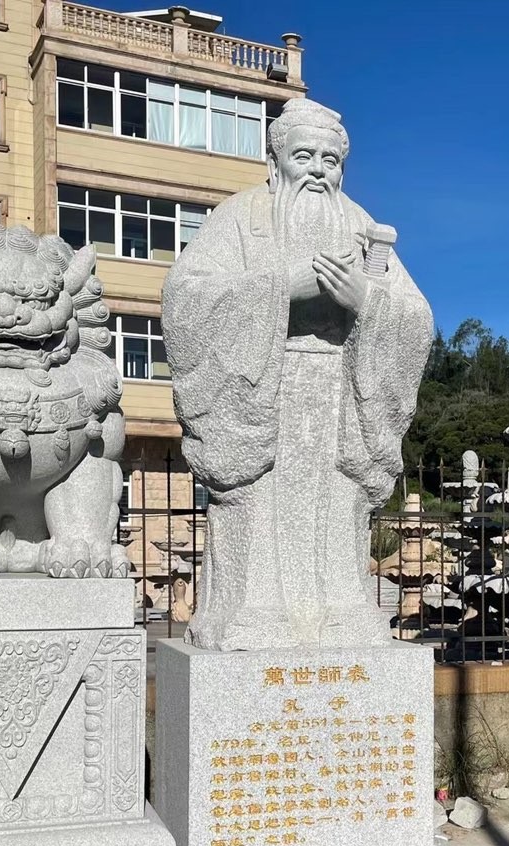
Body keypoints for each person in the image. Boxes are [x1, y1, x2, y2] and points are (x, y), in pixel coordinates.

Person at [162, 99, 433, 650]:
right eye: (303, 156)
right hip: (261, 387)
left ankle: (342, 609)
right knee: (260, 507)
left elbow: (415, 316)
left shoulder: (360, 226)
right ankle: (251, 609)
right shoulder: (239, 216)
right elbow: (186, 297)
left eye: (330, 160)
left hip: (341, 391)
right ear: (275, 160)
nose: (317, 170)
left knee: (337, 505)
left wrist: (365, 300)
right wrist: (281, 288)